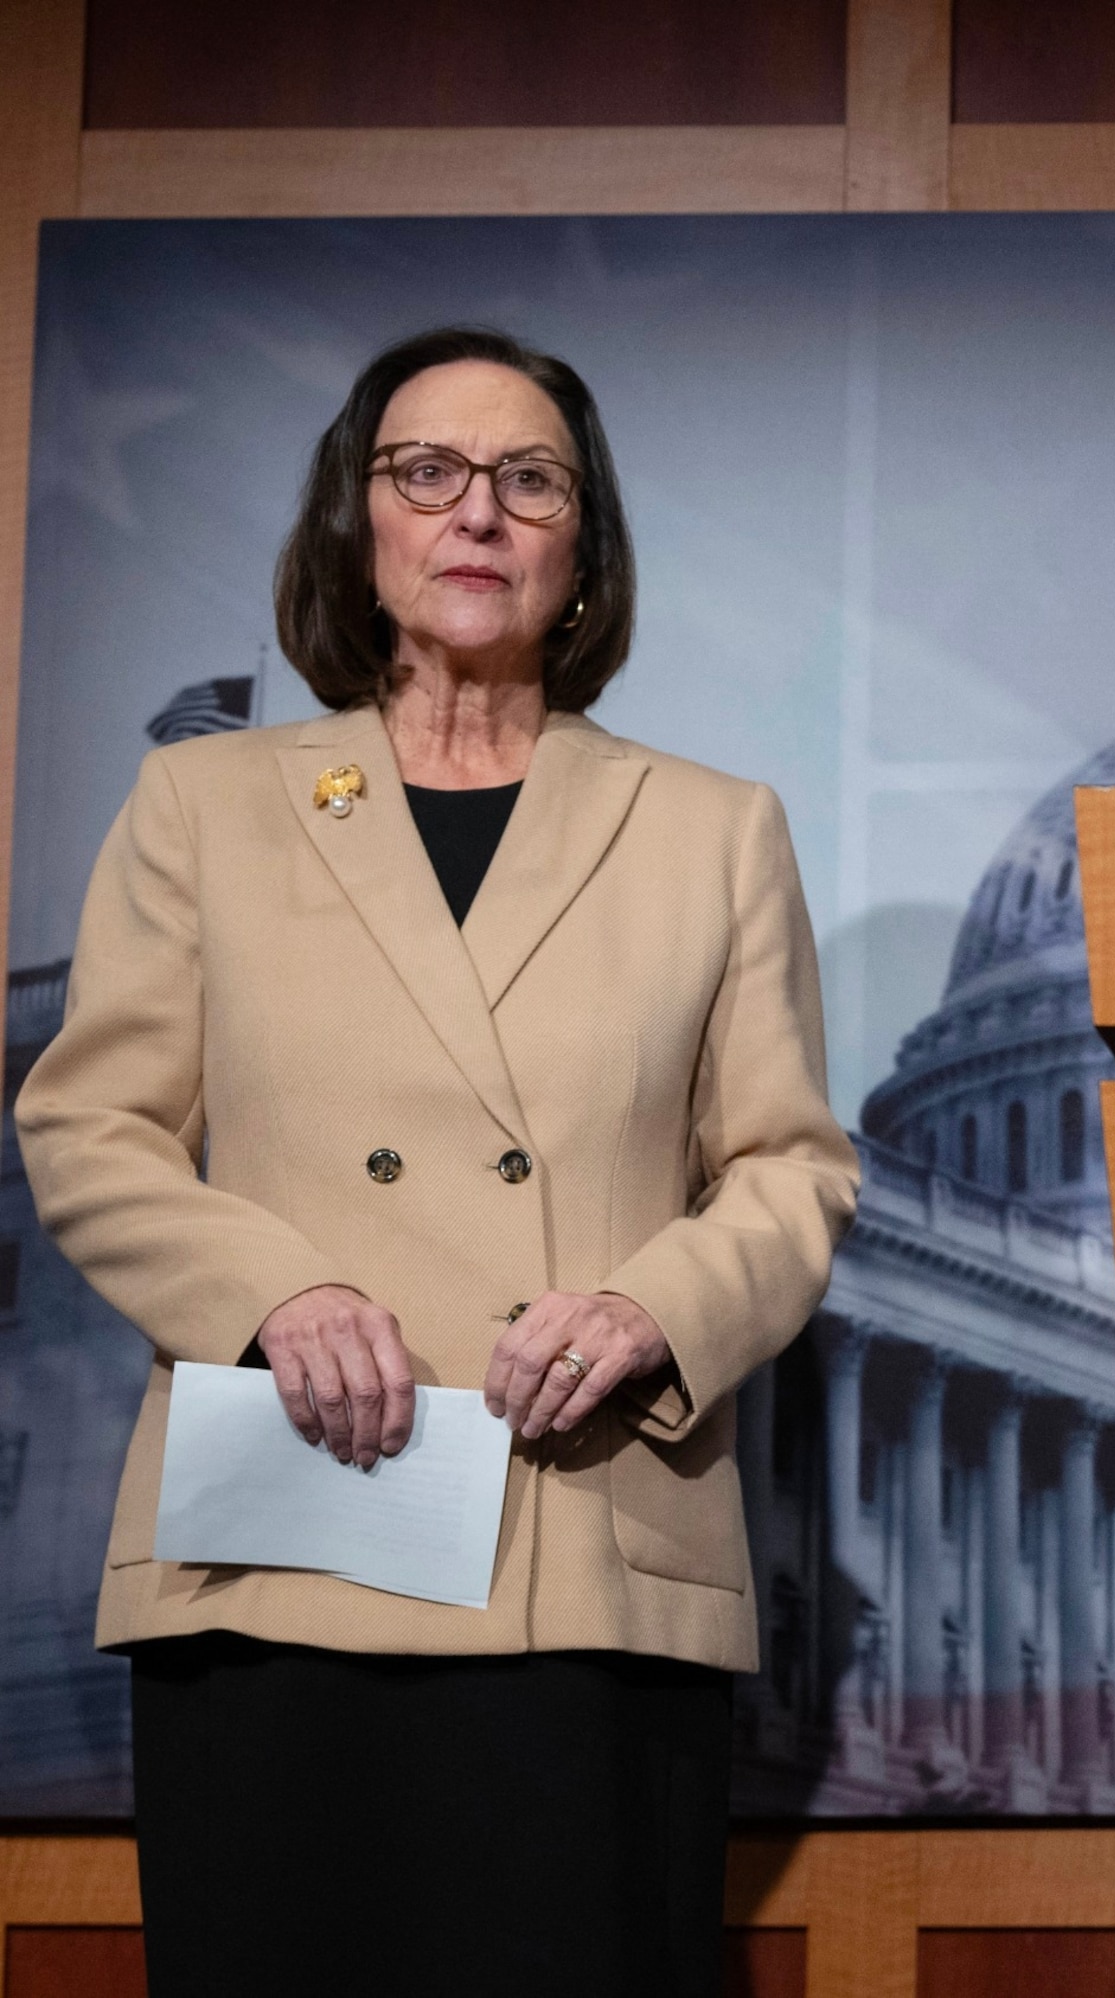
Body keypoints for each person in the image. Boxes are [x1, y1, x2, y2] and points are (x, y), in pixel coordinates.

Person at [15, 325, 859, 1997]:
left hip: (584, 1538)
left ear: (583, 548)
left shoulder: (712, 827)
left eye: (528, 478)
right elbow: (87, 1123)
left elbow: (789, 1167)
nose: (477, 511)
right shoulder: (204, 804)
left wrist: (655, 1307)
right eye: (428, 472)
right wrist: (270, 1290)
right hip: (286, 1539)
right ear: (362, 525)